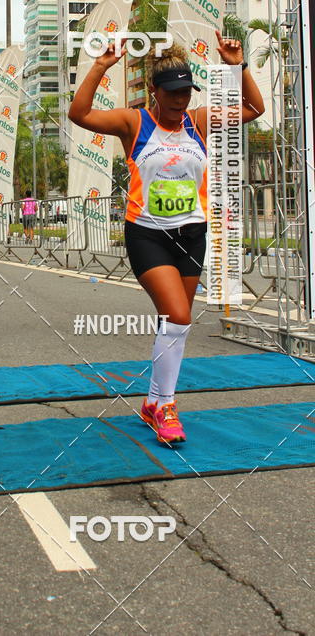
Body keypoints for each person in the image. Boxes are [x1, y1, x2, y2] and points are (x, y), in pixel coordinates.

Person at [68, 32, 265, 445]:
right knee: (177, 316)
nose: (181, 100)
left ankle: (153, 401)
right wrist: (102, 66)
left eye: (187, 92)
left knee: (173, 324)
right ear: (155, 92)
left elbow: (253, 108)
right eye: (172, 93)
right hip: (148, 236)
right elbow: (80, 114)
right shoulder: (134, 122)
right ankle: (167, 407)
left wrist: (238, 66)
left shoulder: (199, 121)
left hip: (192, 234)